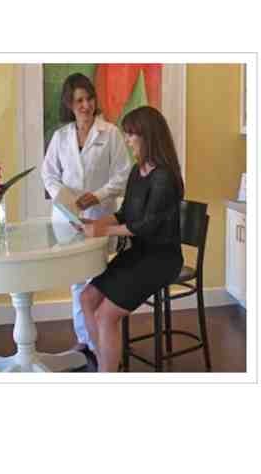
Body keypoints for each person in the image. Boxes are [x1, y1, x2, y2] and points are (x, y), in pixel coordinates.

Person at [78, 106, 185, 372]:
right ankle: (106, 363)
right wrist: (95, 224)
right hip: (138, 255)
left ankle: (107, 372)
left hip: (161, 260)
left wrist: (102, 231)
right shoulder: (137, 172)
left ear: (147, 136)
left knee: (105, 316)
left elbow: (145, 226)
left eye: (130, 134)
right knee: (87, 298)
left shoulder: (164, 177)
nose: (126, 140)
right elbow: (124, 214)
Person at [42, 73, 132, 360]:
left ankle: (100, 343)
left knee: (97, 278)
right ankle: (84, 339)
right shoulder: (61, 137)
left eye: (89, 98)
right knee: (76, 279)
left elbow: (122, 174)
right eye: (79, 100)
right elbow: (49, 174)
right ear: (69, 104)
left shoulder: (111, 133)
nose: (86, 105)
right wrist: (65, 197)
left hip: (100, 215)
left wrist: (98, 195)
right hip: (68, 217)